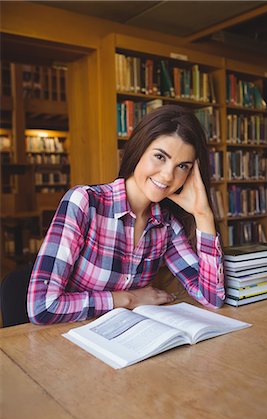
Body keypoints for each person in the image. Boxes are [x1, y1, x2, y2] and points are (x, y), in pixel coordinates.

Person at [27, 104, 225, 324]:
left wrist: (203, 215)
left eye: (182, 166)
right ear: (139, 149)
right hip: (72, 338)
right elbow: (41, 306)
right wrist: (128, 299)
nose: (168, 175)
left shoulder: (166, 225)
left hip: (130, 341)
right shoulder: (85, 203)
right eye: (160, 157)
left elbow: (212, 298)